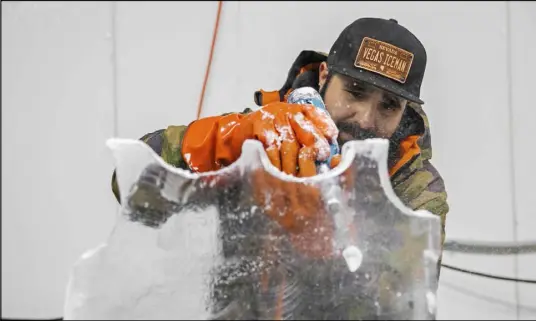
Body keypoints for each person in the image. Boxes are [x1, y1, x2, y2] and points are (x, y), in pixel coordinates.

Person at [110, 17, 449, 319]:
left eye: (388, 106)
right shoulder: (261, 134)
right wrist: (227, 142)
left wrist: (325, 242)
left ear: (404, 112)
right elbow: (127, 186)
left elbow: (402, 306)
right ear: (325, 77)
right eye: (355, 92)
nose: (365, 119)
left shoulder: (414, 189)